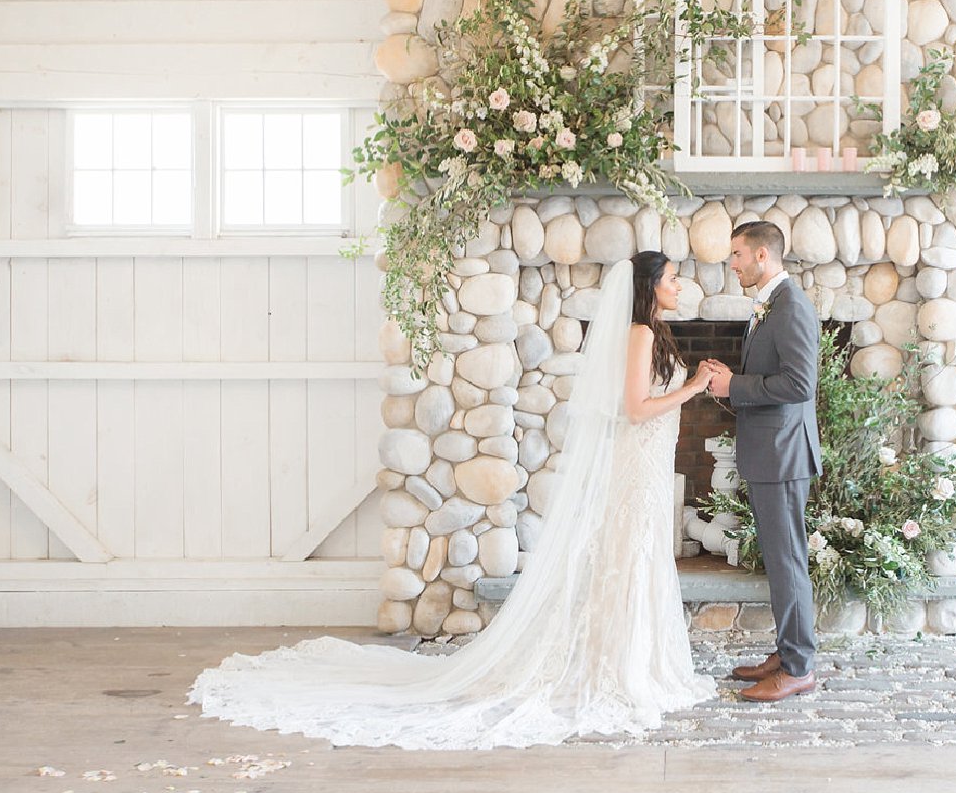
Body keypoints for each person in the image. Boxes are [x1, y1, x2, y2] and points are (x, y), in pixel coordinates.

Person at [188, 252, 720, 749]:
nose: (678, 285)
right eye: (671, 277)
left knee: (635, 561)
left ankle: (631, 660)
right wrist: (693, 388)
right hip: (637, 467)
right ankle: (616, 666)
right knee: (628, 560)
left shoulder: (654, 332)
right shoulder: (638, 333)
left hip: (648, 467)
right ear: (649, 287)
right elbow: (633, 409)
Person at [702, 220, 822, 703]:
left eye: (736, 254)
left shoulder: (790, 307)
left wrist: (735, 387)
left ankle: (798, 668)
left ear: (761, 257)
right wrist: (733, 379)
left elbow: (800, 385)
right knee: (780, 559)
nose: (731, 263)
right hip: (771, 451)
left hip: (783, 454)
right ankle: (787, 650)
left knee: (788, 560)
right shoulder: (771, 303)